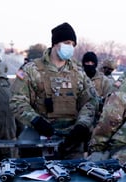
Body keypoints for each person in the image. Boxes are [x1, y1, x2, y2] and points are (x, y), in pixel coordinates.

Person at [10, 22, 99, 159]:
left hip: (72, 141)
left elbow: (91, 101)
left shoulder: (78, 72)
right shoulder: (31, 70)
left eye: (73, 44)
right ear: (55, 43)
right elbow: (17, 100)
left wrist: (81, 126)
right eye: (67, 42)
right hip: (40, 139)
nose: (70, 47)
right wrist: (35, 121)